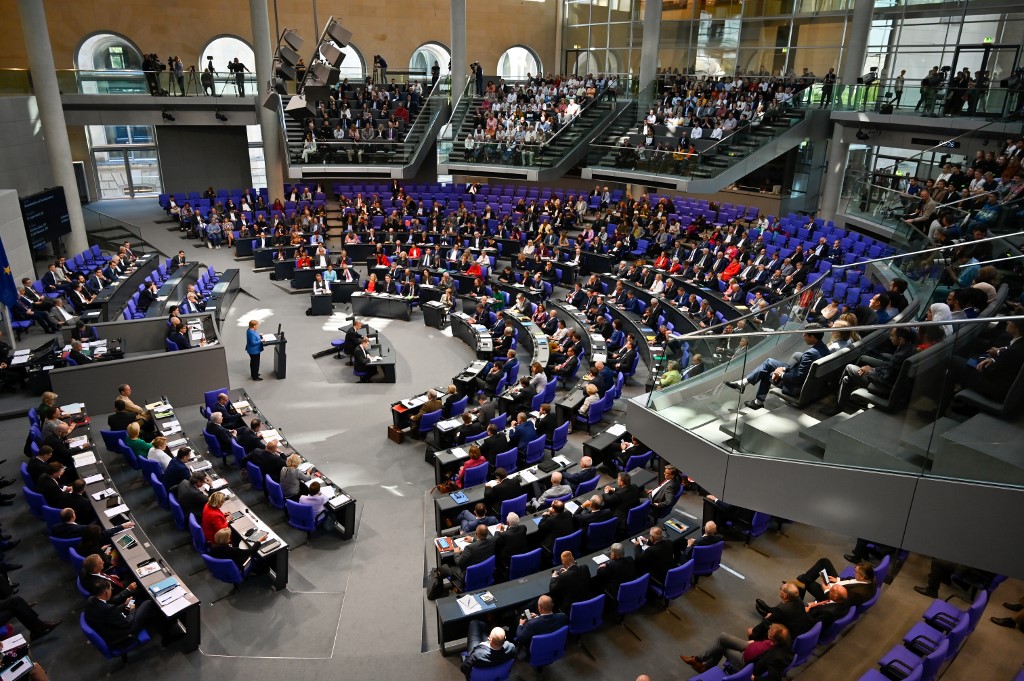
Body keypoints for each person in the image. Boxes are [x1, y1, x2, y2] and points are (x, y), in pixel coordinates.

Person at [724, 324, 830, 409]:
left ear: (812, 337)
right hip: (811, 384)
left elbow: (798, 378)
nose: (803, 336)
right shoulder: (824, 349)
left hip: (796, 388)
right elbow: (802, 368)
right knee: (769, 362)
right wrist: (784, 368)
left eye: (805, 335)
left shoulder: (810, 354)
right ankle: (744, 385)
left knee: (765, 373)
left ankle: (756, 400)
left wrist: (781, 374)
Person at [681, 622, 793, 675]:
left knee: (722, 647)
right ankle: (698, 660)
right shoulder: (781, 641)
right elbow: (766, 642)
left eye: (770, 634)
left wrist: (754, 678)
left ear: (776, 640)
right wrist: (754, 642)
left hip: (746, 661)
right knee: (722, 637)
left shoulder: (776, 655)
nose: (768, 633)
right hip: (750, 647)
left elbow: (773, 677)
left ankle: (704, 666)